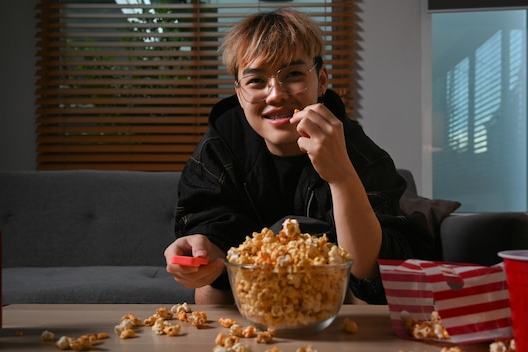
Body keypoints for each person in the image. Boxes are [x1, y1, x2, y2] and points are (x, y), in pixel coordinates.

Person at [164, 8, 434, 305]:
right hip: (246, 286)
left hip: (333, 287)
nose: (276, 94)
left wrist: (342, 176)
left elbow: (369, 271)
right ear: (239, 94)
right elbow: (211, 225)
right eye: (256, 81)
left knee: (358, 295)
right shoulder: (219, 146)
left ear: (322, 80)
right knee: (208, 292)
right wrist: (202, 252)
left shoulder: (358, 150)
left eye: (292, 75)